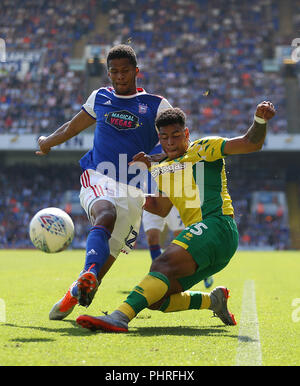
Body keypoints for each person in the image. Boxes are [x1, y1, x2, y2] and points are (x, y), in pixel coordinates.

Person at [76, 101, 276, 332]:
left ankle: (119, 317)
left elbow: (251, 143)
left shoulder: (203, 148)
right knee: (156, 297)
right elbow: (161, 207)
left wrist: (260, 120)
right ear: (159, 138)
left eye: (176, 135)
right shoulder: (161, 168)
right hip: (205, 242)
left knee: (161, 263)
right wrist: (125, 195)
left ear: (186, 133)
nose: (170, 142)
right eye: (164, 137)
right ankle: (213, 300)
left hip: (217, 226)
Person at [36, 44, 172, 320]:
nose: (119, 77)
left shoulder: (158, 105)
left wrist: (154, 158)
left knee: (105, 261)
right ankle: (86, 275)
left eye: (125, 71)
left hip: (135, 190)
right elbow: (72, 127)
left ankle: (76, 291)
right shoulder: (100, 97)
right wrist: (47, 142)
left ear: (136, 72)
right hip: (99, 175)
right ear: (108, 73)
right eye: (114, 72)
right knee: (105, 212)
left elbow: (178, 145)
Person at [142, 144, 214, 288]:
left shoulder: (170, 144)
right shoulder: (143, 141)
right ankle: (160, 277)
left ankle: (204, 272)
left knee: (181, 239)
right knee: (152, 237)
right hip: (151, 196)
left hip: (173, 196)